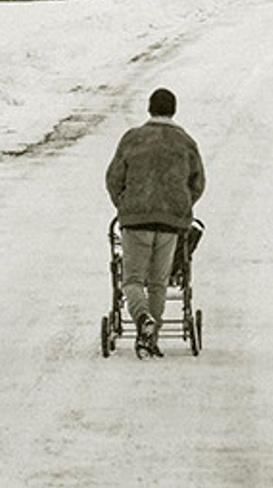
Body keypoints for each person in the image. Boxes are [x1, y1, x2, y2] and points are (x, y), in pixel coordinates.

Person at [105, 87, 205, 358]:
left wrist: (124, 205)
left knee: (133, 280)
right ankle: (152, 338)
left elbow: (113, 178)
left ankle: (142, 319)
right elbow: (198, 183)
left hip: (136, 220)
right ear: (174, 110)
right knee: (159, 282)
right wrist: (181, 207)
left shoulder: (133, 139)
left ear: (149, 109)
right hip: (171, 223)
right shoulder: (185, 143)